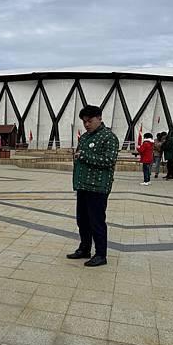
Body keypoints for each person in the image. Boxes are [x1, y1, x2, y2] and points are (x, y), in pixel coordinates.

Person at [66, 105, 119, 267]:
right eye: (84, 122)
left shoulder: (108, 137)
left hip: (98, 187)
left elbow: (109, 161)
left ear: (99, 118)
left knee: (97, 221)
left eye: (90, 121)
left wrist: (85, 155)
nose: (87, 124)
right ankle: (85, 248)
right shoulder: (85, 137)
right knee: (82, 220)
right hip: (83, 186)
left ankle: (101, 254)